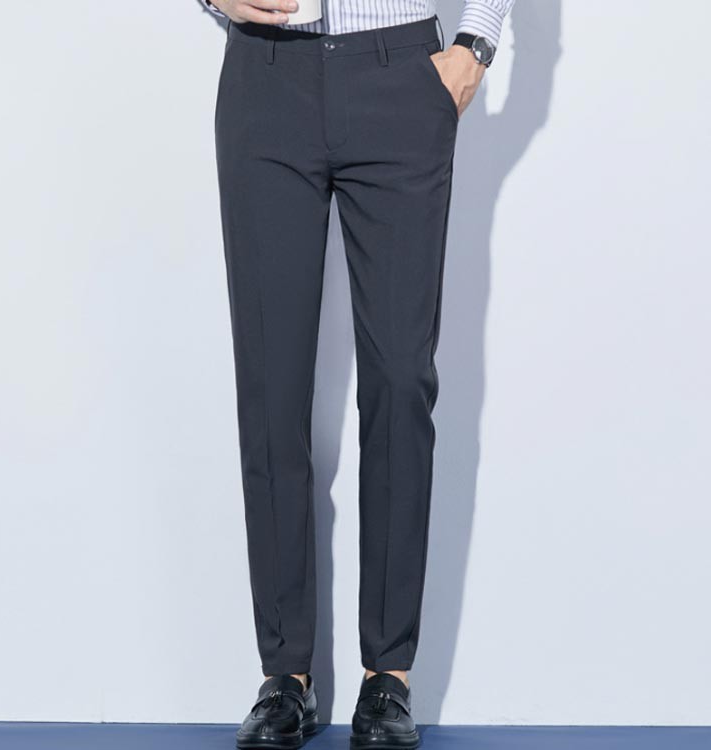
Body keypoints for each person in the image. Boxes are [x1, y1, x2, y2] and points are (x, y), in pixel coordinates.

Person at [201, 0, 514, 746]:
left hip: (400, 75)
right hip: (265, 78)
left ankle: (388, 677)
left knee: (401, 380)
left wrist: (475, 43)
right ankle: (286, 676)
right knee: (271, 386)